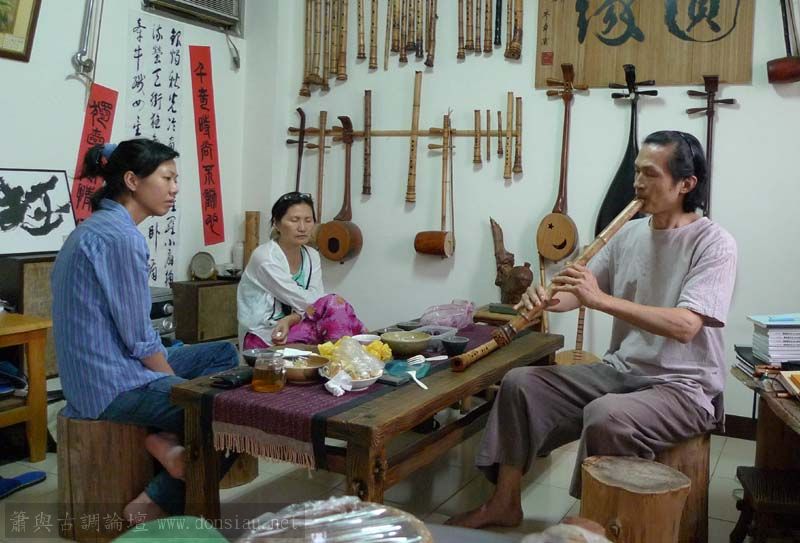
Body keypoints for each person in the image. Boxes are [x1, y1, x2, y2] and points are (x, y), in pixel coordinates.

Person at [448, 130, 737, 529]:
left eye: (650, 174)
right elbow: (577, 292)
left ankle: (592, 524)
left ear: (686, 184)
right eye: (637, 171)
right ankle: (504, 503)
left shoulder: (714, 243)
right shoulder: (629, 233)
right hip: (622, 371)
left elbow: (687, 326)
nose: (638, 183)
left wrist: (600, 300)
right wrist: (546, 298)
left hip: (684, 387)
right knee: (519, 384)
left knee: (607, 416)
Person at [51, 139, 239, 523]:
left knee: (223, 355)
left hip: (109, 368)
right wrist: (179, 389)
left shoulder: (97, 227)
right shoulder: (120, 238)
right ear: (132, 181)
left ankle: (165, 438)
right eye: (167, 178)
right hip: (110, 385)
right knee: (236, 415)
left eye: (176, 179)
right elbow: (139, 339)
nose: (174, 188)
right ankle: (156, 500)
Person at [237, 191, 366, 349]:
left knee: (334, 315)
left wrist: (292, 319)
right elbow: (307, 301)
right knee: (334, 306)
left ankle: (344, 357)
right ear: (277, 223)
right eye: (294, 220)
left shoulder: (311, 255)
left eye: (308, 220)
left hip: (296, 326)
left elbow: (314, 301)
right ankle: (346, 356)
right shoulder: (265, 257)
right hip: (264, 336)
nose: (302, 227)